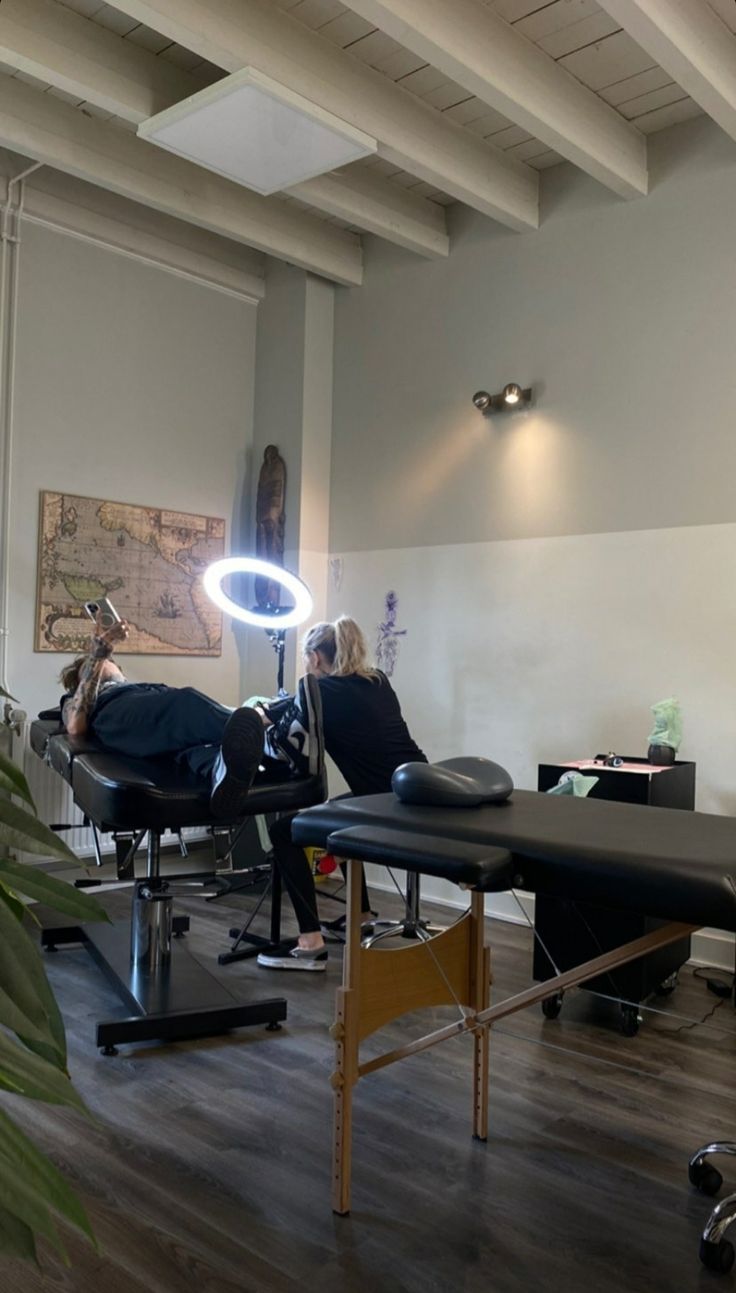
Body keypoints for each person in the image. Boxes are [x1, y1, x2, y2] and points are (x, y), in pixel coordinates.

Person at [256, 616, 427, 973]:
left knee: (283, 832)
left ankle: (309, 942)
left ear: (316, 658)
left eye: (307, 659)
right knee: (337, 816)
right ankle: (361, 914)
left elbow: (279, 728)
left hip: (383, 804)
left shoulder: (319, 692)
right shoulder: (377, 680)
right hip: (415, 790)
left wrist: (257, 716)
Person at [59, 615, 264, 817]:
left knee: (189, 751)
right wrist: (97, 656)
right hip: (117, 713)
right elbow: (76, 727)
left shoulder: (135, 692)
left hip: (145, 716)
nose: (105, 664)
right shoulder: (78, 699)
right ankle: (268, 731)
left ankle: (219, 769)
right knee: (185, 702)